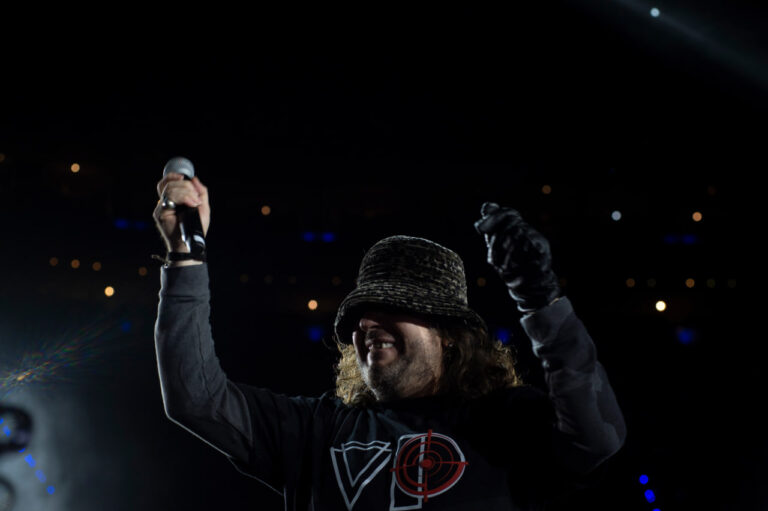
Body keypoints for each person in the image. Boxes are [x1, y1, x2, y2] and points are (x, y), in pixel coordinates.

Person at [152, 173, 626, 510]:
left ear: (450, 337)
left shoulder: (505, 422)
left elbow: (597, 436)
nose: (366, 325)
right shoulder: (317, 432)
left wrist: (541, 302)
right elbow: (196, 398)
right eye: (358, 314)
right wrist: (185, 256)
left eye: (391, 308)